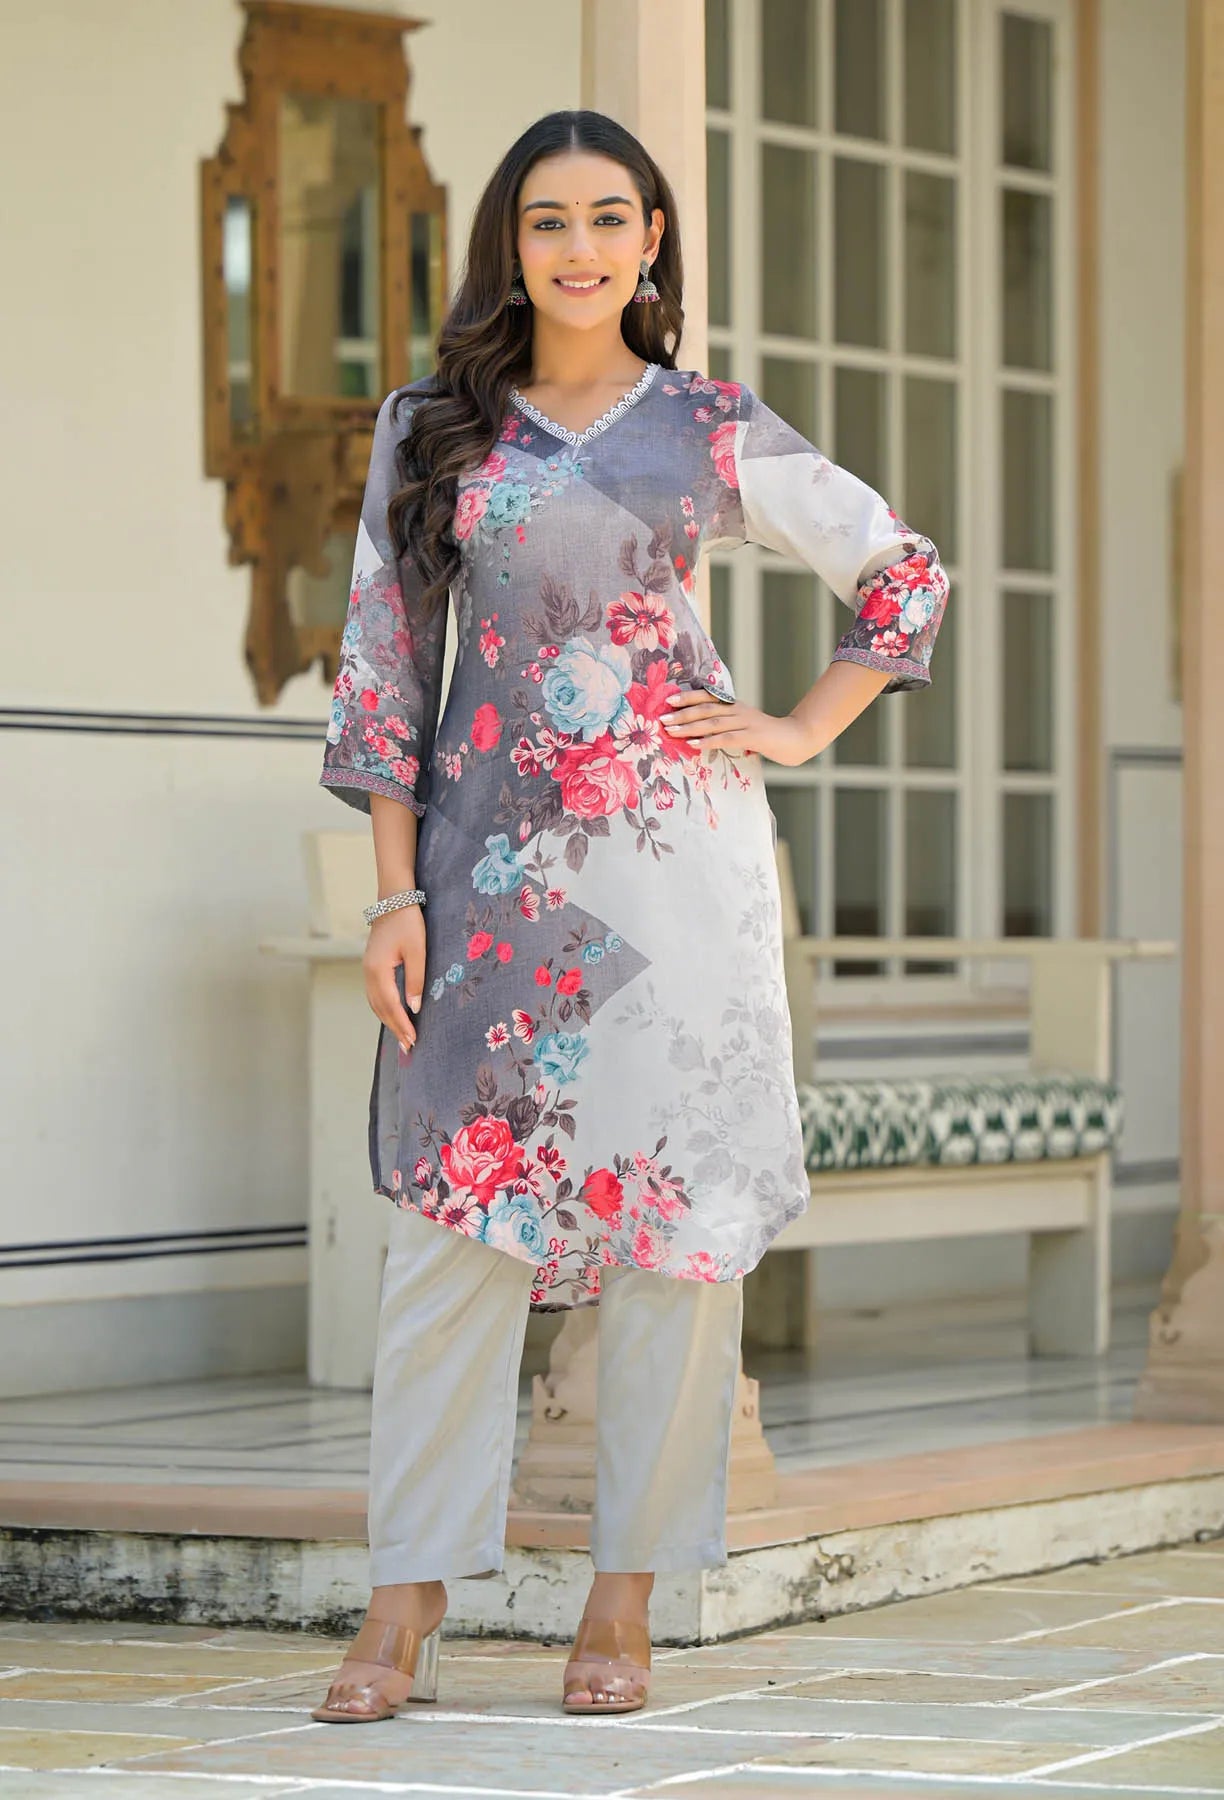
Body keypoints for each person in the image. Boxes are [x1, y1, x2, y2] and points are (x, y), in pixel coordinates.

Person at [312, 108, 948, 1723]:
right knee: (450, 1230)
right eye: (547, 221)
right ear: (508, 245)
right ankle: (404, 1606)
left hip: (683, 878)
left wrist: (798, 728)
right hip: (485, 884)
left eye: (610, 218)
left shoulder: (711, 429)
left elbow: (903, 574)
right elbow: (385, 670)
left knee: (670, 1231)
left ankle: (624, 1604)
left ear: (652, 240)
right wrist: (391, 890)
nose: (579, 247)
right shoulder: (431, 431)